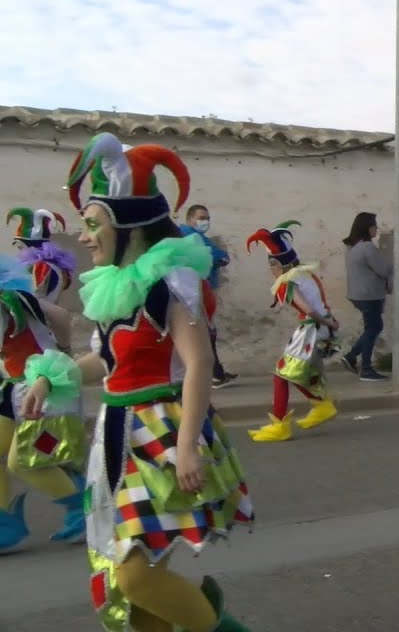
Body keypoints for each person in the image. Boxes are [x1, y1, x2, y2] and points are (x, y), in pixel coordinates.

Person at [24, 131, 253, 630]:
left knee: (134, 579)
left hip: (163, 431)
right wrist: (49, 378)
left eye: (92, 225)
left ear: (128, 227)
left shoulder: (171, 280)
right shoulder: (115, 288)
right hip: (116, 433)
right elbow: (105, 360)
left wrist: (188, 446)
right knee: (137, 581)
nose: (84, 237)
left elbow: (197, 363)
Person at [0, 253, 87, 552]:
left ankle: (84, 509)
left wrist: (60, 358)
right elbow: (61, 319)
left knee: (24, 461)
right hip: (16, 386)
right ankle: (5, 522)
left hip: (44, 386)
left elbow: (61, 318)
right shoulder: (14, 297)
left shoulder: (12, 300)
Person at [245, 221, 341, 443]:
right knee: (292, 372)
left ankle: (280, 426)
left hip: (311, 330)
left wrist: (327, 323)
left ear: (277, 265)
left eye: (271, 265)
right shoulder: (307, 274)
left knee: (281, 374)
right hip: (321, 328)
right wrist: (330, 323)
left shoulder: (285, 283)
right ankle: (321, 406)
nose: (271, 270)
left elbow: (308, 309)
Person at [179, 204, 238, 388]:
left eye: (207, 218)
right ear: (190, 219)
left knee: (206, 333)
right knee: (205, 334)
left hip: (199, 291)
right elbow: (217, 255)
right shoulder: (189, 235)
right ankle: (214, 375)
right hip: (196, 292)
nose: (205, 221)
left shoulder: (198, 237)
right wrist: (221, 256)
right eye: (201, 217)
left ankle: (216, 373)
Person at [340, 212, 390, 382]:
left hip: (358, 294)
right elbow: (383, 270)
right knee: (373, 328)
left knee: (373, 327)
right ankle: (366, 369)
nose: (377, 228)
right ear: (368, 228)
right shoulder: (368, 248)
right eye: (375, 225)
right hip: (370, 295)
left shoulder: (353, 247)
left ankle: (352, 357)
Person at [8, 206, 76, 305]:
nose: (20, 253)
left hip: (40, 316)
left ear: (31, 246)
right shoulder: (56, 265)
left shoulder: (41, 266)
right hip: (53, 311)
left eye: (21, 247)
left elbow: (36, 298)